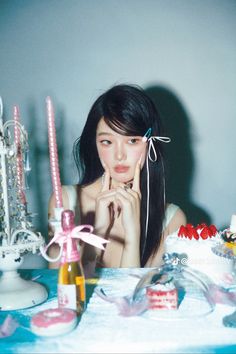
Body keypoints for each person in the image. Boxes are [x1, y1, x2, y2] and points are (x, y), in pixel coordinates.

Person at [48, 84, 186, 269]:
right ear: (95, 144)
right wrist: (98, 232)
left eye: (132, 141)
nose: (119, 155)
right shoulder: (66, 204)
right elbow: (65, 294)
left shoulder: (172, 221)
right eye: (107, 142)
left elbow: (138, 296)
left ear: (150, 143)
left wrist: (132, 235)